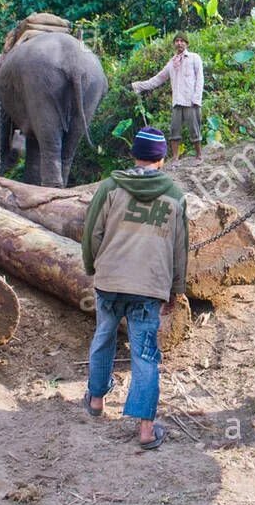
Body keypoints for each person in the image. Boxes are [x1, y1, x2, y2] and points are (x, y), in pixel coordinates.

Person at [80, 127, 188, 449]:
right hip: (149, 287)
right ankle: (145, 430)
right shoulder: (174, 195)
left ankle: (96, 399)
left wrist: (92, 267)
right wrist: (176, 290)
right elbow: (180, 248)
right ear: (163, 158)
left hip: (111, 282)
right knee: (145, 353)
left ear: (133, 154)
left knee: (104, 336)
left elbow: (91, 234)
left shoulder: (111, 187)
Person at [131, 33, 204, 160]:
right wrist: (139, 86)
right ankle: (175, 158)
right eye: (177, 41)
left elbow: (200, 79)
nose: (179, 43)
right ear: (174, 44)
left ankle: (199, 156)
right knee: (174, 132)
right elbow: (158, 79)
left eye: (182, 41)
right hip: (177, 101)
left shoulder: (194, 58)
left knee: (194, 130)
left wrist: (196, 99)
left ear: (187, 43)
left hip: (191, 101)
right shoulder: (172, 63)